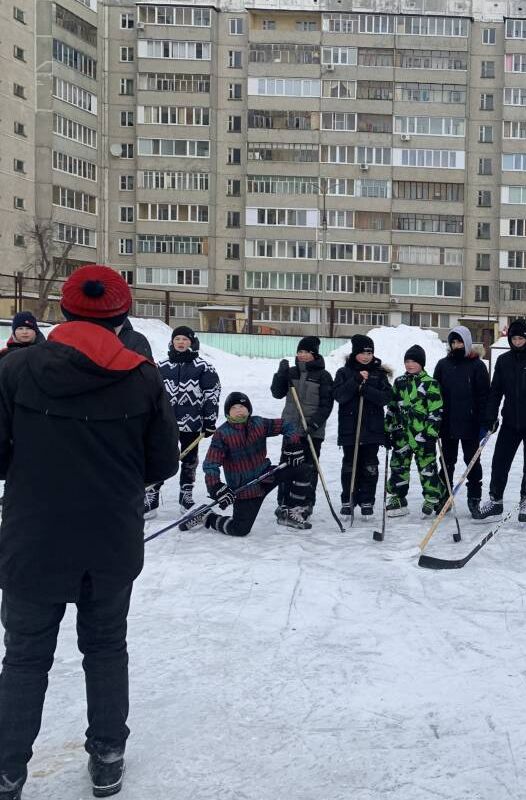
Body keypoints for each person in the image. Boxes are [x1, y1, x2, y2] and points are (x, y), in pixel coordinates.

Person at [0, 265, 178, 800]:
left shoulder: (15, 369)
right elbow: (163, 462)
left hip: (33, 540)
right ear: (122, 316)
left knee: (25, 656)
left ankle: (8, 772)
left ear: (64, 311)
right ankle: (107, 755)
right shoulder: (144, 376)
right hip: (109, 540)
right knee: (105, 649)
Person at [183, 392, 304, 537]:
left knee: (302, 468)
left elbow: (286, 425)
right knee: (239, 529)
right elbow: (210, 464)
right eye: (234, 407)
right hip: (245, 490)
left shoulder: (259, 423)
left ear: (249, 409)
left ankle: (290, 510)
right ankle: (207, 516)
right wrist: (216, 487)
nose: (239, 410)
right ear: (228, 412)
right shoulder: (222, 434)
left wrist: (294, 445)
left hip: (267, 476)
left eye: (242, 406)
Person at [473, 319, 526, 523]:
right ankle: (495, 501)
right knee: (499, 463)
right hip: (510, 422)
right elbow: (495, 392)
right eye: (514, 338)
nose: (517, 342)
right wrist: (490, 416)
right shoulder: (504, 361)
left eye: (521, 338)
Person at [146, 326, 221, 517]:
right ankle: (152, 495)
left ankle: (186, 495)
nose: (180, 342)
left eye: (185, 339)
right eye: (177, 339)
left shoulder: (204, 367)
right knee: (160, 458)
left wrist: (209, 420)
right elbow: (151, 394)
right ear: (172, 342)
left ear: (192, 342)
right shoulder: (160, 366)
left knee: (189, 460)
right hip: (165, 423)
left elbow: (212, 394)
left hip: (193, 423)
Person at [271, 336, 334, 529]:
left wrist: (313, 425)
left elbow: (326, 405)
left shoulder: (323, 376)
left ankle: (304, 504)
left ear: (314, 354)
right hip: (291, 429)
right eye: (300, 352)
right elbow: (277, 392)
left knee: (308, 469)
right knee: (286, 466)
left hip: (312, 432)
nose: (302, 355)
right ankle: (284, 503)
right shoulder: (291, 372)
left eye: (306, 352)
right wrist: (280, 375)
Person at [432, 327, 490, 516]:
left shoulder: (477, 366)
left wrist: (485, 421)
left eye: (460, 342)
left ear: (467, 343)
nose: (456, 345)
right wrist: (435, 419)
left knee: (472, 462)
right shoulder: (443, 365)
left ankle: (474, 500)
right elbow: (435, 395)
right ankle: (444, 498)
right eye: (453, 342)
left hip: (470, 424)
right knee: (446, 462)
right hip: (447, 423)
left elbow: (484, 396)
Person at [332, 334, 391, 517]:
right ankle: (348, 499)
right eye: (363, 353)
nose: (366, 356)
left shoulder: (379, 374)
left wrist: (367, 390)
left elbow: (386, 397)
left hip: (372, 429)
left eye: (370, 353)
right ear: (355, 353)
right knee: (350, 466)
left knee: (370, 467)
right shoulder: (344, 372)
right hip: (350, 429)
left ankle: (367, 500)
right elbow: (339, 396)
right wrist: (356, 380)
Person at [385, 345, 446, 517]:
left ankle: (433, 497)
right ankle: (397, 497)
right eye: (407, 361)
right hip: (401, 435)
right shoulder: (399, 382)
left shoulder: (430, 384)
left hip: (422, 436)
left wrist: (431, 435)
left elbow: (436, 411)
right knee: (398, 467)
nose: (410, 365)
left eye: (414, 361)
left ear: (422, 363)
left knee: (427, 468)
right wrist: (387, 429)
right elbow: (392, 408)